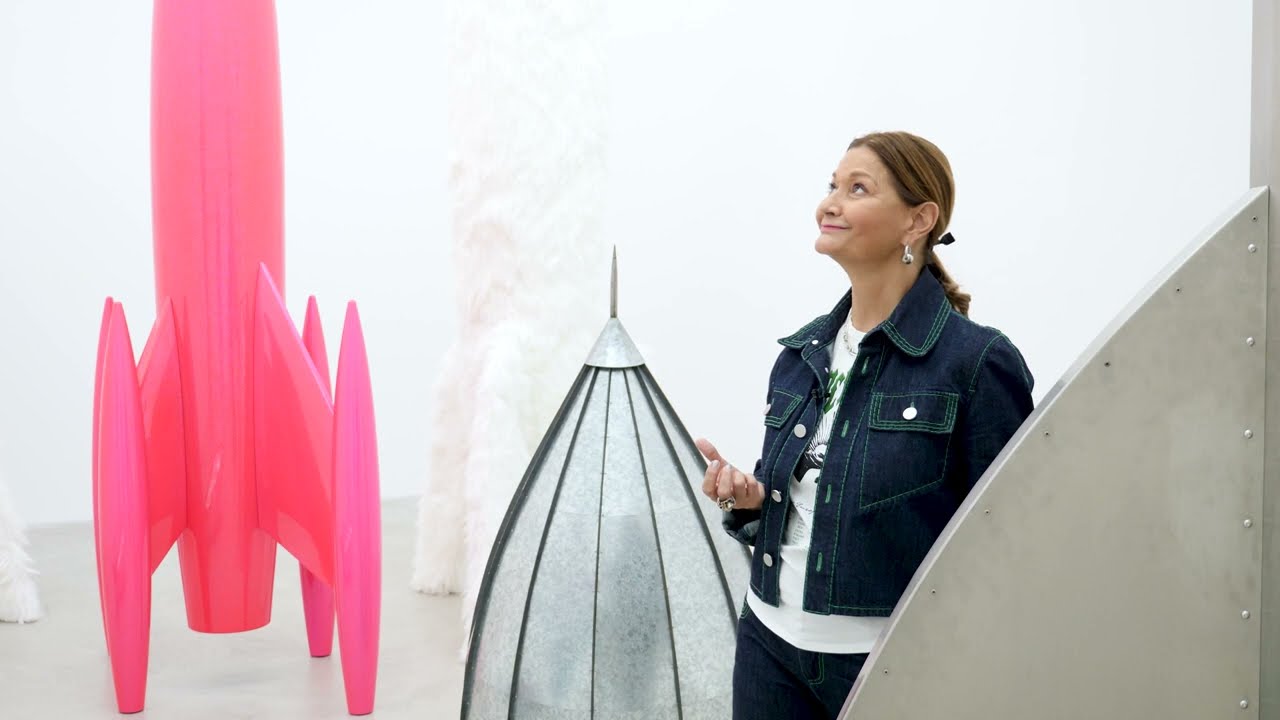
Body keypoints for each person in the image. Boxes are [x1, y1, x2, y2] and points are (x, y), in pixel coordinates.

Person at [695, 131, 1035, 720]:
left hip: (890, 665)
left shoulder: (977, 363)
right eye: (832, 186)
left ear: (918, 221)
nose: (829, 203)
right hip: (768, 648)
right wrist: (751, 501)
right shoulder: (800, 355)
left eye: (857, 189)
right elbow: (808, 500)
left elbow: (1009, 542)